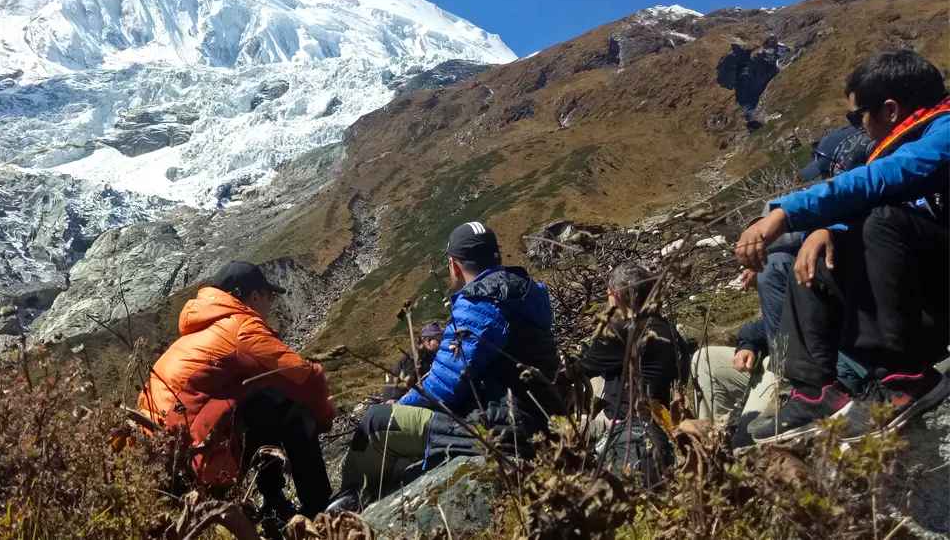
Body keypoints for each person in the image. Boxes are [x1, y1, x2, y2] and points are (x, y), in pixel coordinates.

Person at [737, 49, 950, 444]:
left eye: (858, 116)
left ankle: (904, 377)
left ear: (889, 109)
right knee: (817, 254)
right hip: (924, 290)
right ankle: (815, 392)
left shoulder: (944, 131)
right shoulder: (903, 140)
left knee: (880, 217)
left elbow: (884, 179)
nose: (859, 126)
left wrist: (786, 212)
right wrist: (827, 230)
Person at [328, 222, 561, 512]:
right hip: (541, 418)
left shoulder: (479, 302)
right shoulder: (526, 292)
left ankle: (350, 506)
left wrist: (399, 404)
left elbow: (443, 387)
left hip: (505, 428)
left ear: (454, 265)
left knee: (375, 421)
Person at [693, 127, 873, 428]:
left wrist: (774, 252)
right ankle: (715, 441)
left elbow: (812, 318)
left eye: (828, 176)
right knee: (704, 359)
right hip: (795, 353)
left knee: (747, 439)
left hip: (832, 365)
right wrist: (749, 340)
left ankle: (796, 390)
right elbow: (787, 320)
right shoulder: (822, 246)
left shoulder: (838, 248)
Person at [137, 261, 338, 521]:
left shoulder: (201, 331)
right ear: (254, 296)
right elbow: (307, 377)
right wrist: (324, 417)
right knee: (290, 406)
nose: (270, 306)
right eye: (269, 298)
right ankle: (319, 508)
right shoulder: (241, 327)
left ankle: (274, 504)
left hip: (154, 453)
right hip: (189, 454)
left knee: (261, 398)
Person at [578, 262, 688, 485]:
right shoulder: (667, 328)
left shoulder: (623, 331)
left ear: (614, 295)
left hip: (624, 420)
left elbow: (577, 369)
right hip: (662, 419)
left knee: (553, 428)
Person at [380, 323, 443, 402]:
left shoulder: (428, 355)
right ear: (429, 341)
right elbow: (406, 380)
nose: (441, 344)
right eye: (439, 340)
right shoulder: (415, 357)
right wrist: (395, 399)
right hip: (395, 398)